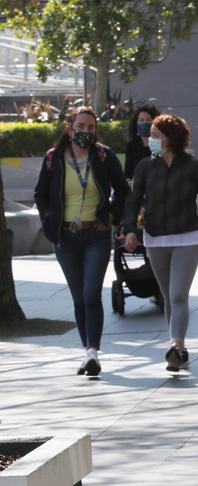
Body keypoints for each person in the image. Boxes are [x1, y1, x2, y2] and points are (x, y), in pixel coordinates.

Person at [123, 114, 198, 371]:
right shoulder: (145, 167)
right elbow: (133, 201)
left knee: (178, 294)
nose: (150, 139)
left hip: (187, 238)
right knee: (168, 297)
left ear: (169, 139)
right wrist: (130, 230)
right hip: (155, 239)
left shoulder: (194, 167)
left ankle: (176, 344)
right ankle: (179, 349)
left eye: (156, 135)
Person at [34, 106, 130, 376]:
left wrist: (111, 214)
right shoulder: (54, 158)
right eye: (81, 127)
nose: (86, 132)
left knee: (91, 294)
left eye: (91, 127)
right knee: (78, 298)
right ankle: (86, 350)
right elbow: (39, 194)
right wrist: (49, 220)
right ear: (70, 129)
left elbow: (122, 190)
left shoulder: (103, 155)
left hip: (96, 235)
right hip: (65, 237)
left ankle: (93, 353)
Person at [124, 103, 160, 180]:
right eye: (141, 120)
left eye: (148, 120)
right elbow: (128, 172)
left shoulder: (160, 144)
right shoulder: (131, 145)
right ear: (136, 124)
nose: (145, 123)